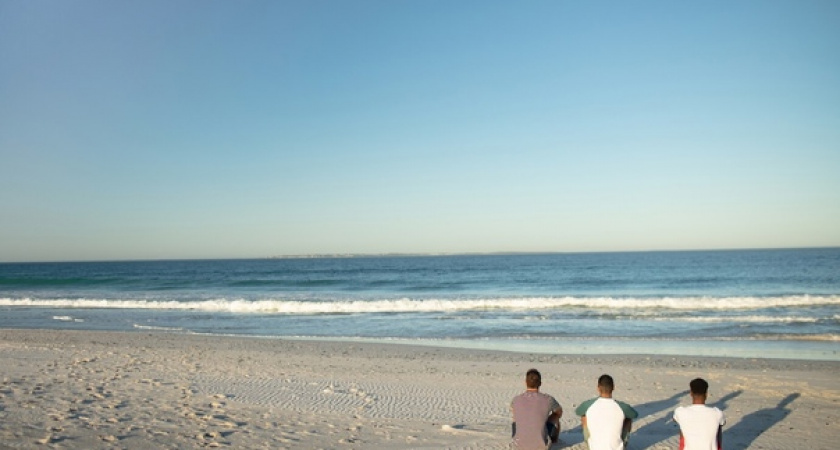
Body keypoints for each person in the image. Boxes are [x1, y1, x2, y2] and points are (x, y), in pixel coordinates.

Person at [575, 374, 638, 450]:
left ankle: (591, 444)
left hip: (594, 448)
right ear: (613, 387)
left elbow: (578, 412)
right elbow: (634, 414)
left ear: (598, 388)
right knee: (628, 419)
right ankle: (621, 444)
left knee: (584, 416)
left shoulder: (588, 405)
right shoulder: (621, 406)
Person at [510, 368, 563, 449]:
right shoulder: (548, 399)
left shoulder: (516, 399)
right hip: (541, 446)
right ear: (540, 383)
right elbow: (559, 412)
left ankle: (521, 438)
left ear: (525, 382)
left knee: (516, 417)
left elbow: (514, 414)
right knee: (556, 417)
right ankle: (553, 440)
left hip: (517, 445)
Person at [674, 378, 725, 450]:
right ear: (706, 394)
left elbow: (675, 419)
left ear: (691, 393)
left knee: (683, 425)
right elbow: (722, 423)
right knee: (717, 426)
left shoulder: (680, 411)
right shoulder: (717, 412)